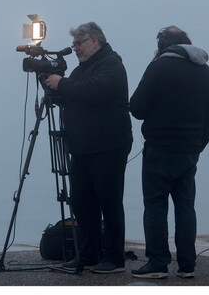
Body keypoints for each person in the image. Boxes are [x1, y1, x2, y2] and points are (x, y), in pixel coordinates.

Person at [129, 26, 209, 279]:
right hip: (189, 151)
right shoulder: (205, 71)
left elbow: (136, 107)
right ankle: (187, 264)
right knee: (185, 207)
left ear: (162, 46)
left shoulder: (158, 68)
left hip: (159, 149)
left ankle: (158, 263)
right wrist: (199, 143)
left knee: (156, 206)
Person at [44, 22, 133, 274]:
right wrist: (52, 87)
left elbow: (97, 92)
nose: (75, 49)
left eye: (78, 44)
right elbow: (76, 96)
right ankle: (90, 254)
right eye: (73, 44)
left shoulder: (111, 64)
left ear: (95, 41)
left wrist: (62, 84)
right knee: (83, 203)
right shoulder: (82, 69)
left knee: (109, 202)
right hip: (82, 147)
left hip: (108, 146)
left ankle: (115, 258)